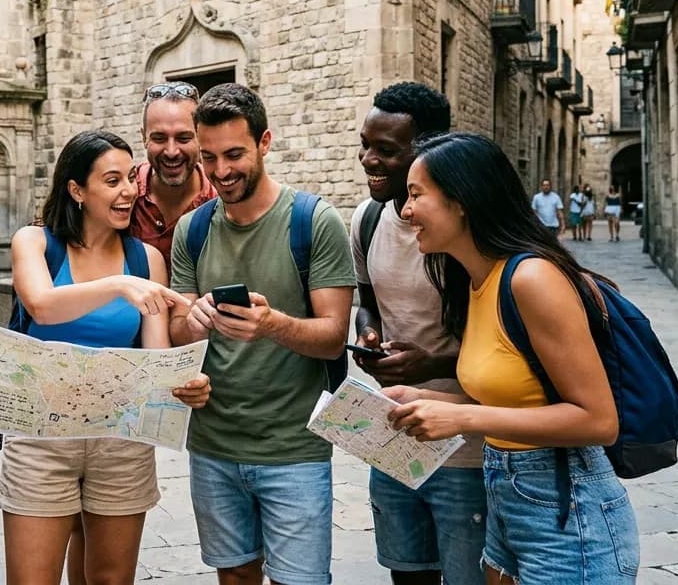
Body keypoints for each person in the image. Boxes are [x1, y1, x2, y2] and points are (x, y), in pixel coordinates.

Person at [387, 132, 640, 585]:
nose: (405, 211)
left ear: (460, 200)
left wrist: (463, 419)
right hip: (504, 496)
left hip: (566, 512)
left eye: (415, 194)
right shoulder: (474, 281)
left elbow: (598, 421)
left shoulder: (531, 279)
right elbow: (521, 396)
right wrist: (427, 399)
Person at [5, 129, 212, 585]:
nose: (128, 192)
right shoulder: (35, 242)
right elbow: (41, 304)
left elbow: (155, 362)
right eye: (112, 180)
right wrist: (117, 286)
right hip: (43, 438)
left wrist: (182, 385)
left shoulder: (146, 262)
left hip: (121, 442)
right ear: (77, 190)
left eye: (129, 180)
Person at [169, 83, 355, 585]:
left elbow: (335, 336)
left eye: (235, 155)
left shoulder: (314, 221)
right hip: (212, 444)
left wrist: (274, 324)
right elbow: (176, 331)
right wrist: (195, 319)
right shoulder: (192, 229)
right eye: (208, 158)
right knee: (233, 576)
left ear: (265, 142)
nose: (221, 171)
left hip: (293, 448)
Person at [351, 83, 485, 585]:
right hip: (393, 436)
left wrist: (430, 365)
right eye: (364, 144)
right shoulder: (365, 222)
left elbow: (512, 349)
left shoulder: (466, 235)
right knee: (407, 576)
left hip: (466, 445)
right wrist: (368, 339)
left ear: (428, 149)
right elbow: (370, 305)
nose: (369, 160)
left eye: (386, 150)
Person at [130, 82, 217, 264]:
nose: (171, 151)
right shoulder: (122, 197)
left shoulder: (222, 201)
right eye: (159, 138)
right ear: (144, 137)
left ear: (201, 137)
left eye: (183, 138)